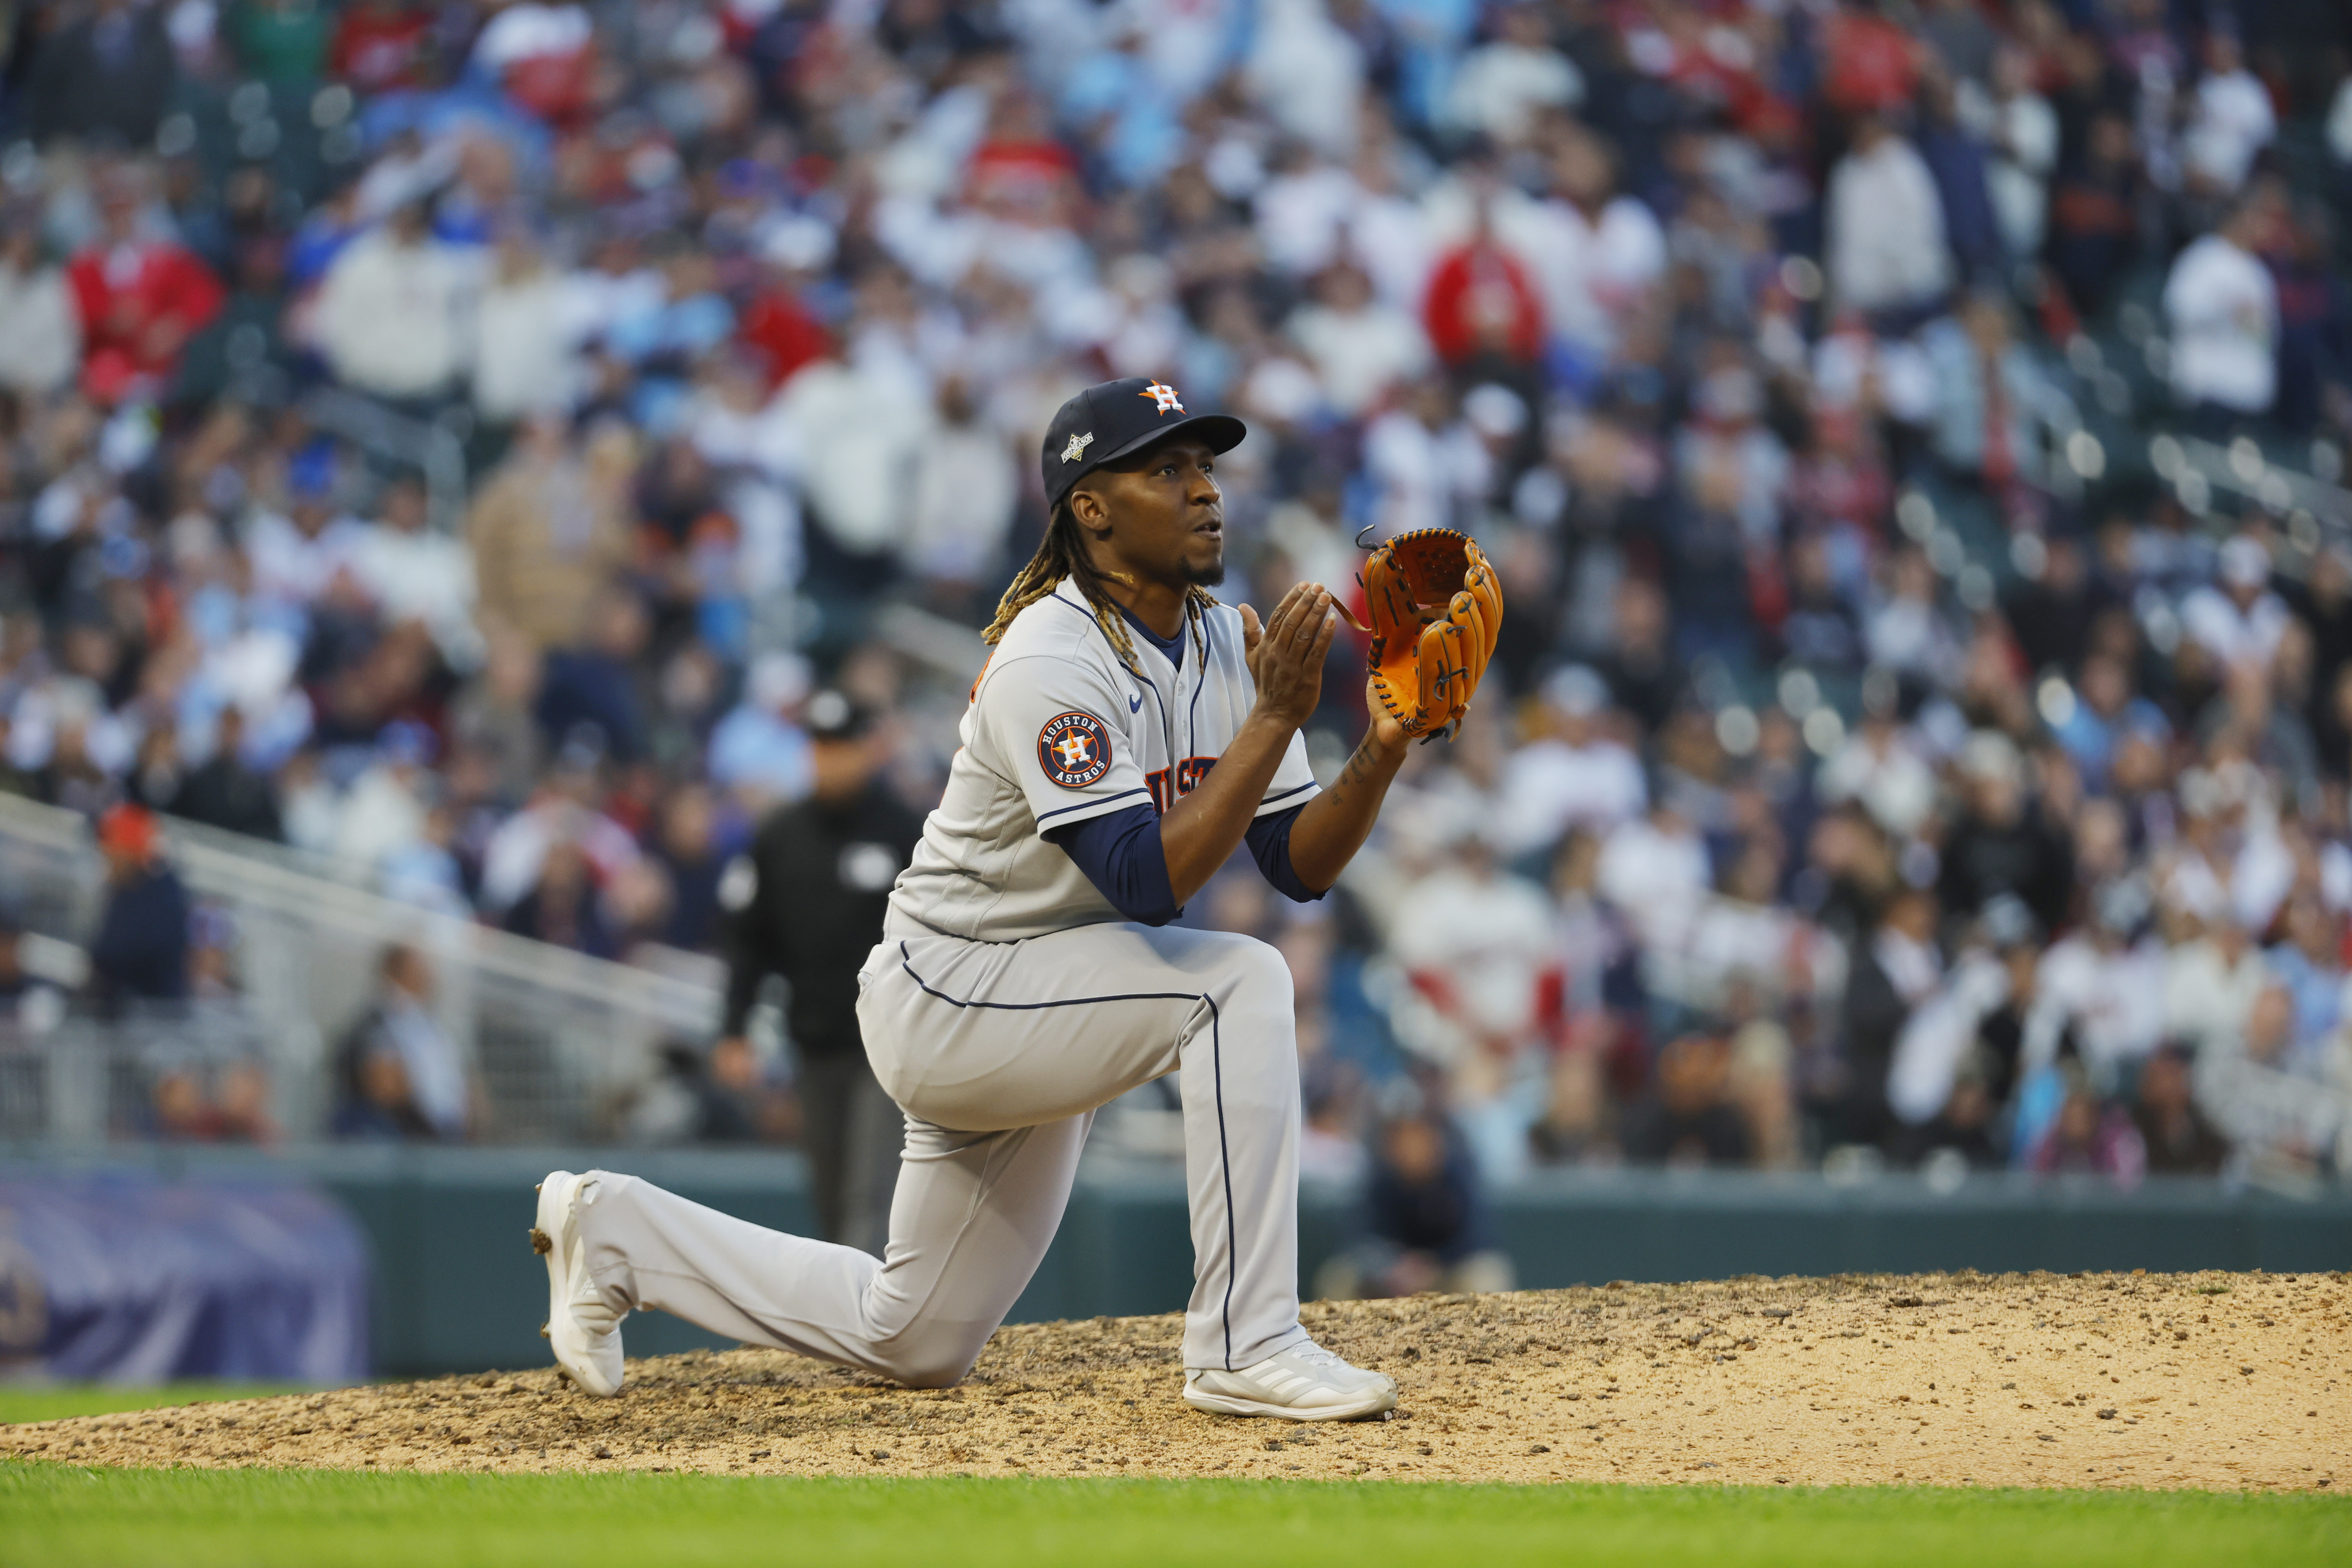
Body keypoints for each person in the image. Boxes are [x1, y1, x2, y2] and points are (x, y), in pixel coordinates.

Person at [533, 377, 1453, 1421]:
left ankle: (616, 1233)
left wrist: (1379, 748)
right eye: (1168, 469)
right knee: (1236, 983)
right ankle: (1247, 1340)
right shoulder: (1050, 656)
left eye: (1206, 467)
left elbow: (1299, 863)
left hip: (1051, 989)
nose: (1206, 492)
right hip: (957, 990)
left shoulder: (1217, 644)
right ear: (1092, 510)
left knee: (915, 1335)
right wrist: (1276, 718)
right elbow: (1146, 880)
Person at [715, 689, 924, 1253]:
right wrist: (734, 1028)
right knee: (831, 1196)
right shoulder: (781, 835)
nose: (829, 758)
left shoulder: (904, 830)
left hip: (887, 1047)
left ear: (869, 749)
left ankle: (870, 1330)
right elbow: (749, 939)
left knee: (870, 1195)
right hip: (812, 1040)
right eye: (820, 746)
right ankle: (856, 1321)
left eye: (841, 746)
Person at [87, 804, 191, 1012]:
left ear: (129, 852)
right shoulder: (124, 891)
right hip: (125, 1011)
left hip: (155, 1015)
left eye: (113, 851)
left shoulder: (163, 895)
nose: (108, 860)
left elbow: (119, 954)